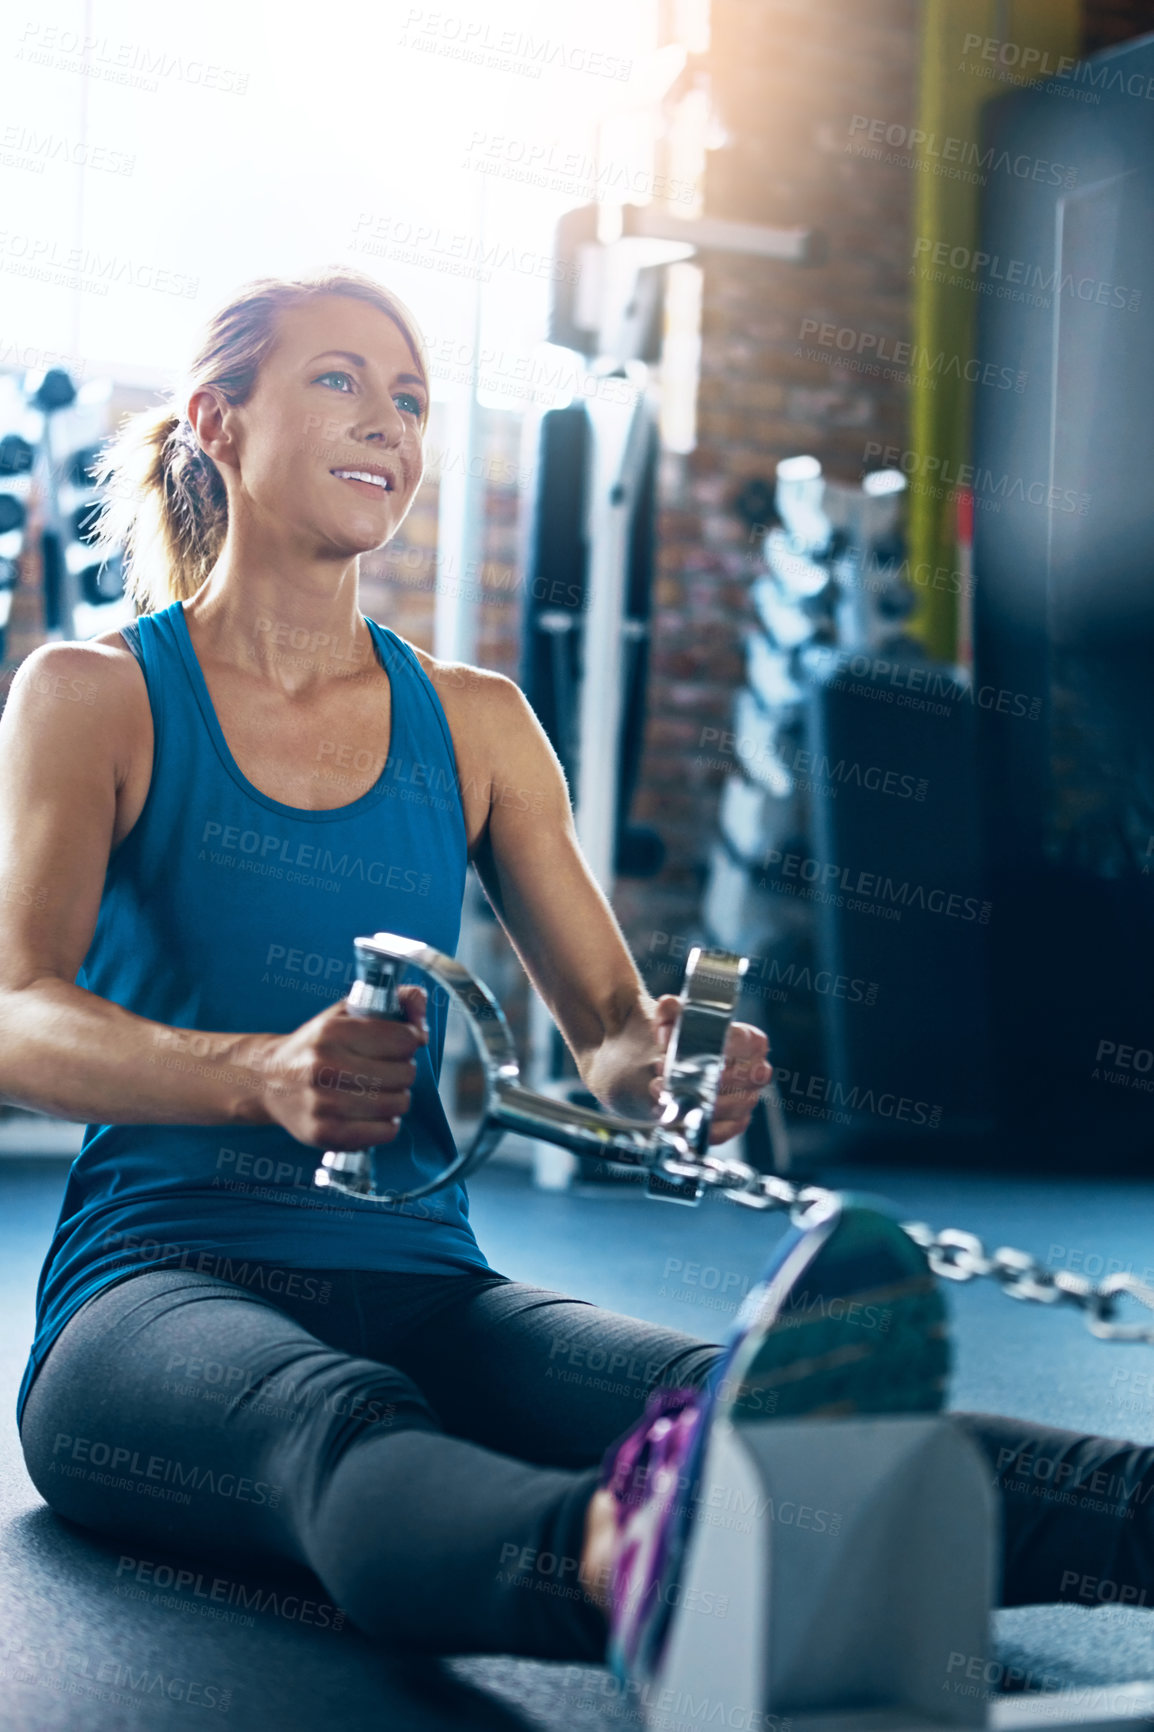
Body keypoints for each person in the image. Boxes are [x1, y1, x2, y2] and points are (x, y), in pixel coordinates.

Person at [0, 270, 1150, 1684]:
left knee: (730, 1409)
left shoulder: (477, 724)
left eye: (411, 395)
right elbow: (15, 1011)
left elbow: (610, 1028)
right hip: (152, 1292)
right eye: (341, 381)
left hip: (427, 1282)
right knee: (340, 1424)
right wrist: (261, 1076)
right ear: (217, 425)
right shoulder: (92, 693)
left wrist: (668, 1066)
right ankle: (646, 1565)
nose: (391, 422)